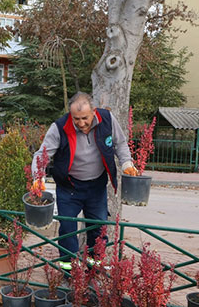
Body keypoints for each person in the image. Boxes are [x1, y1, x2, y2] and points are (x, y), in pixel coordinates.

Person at [31, 92, 138, 266]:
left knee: (98, 228)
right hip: (69, 187)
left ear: (94, 112)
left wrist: (127, 163)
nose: (81, 123)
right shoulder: (59, 127)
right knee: (67, 229)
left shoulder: (107, 119)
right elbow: (41, 154)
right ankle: (69, 268)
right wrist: (38, 176)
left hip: (96, 186)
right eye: (76, 119)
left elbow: (120, 143)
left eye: (85, 118)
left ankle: (93, 267)